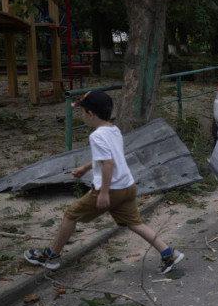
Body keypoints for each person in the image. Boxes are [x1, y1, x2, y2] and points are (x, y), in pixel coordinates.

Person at [23, 91, 184, 273]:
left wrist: (104, 192)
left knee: (71, 214)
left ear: (91, 114)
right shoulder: (113, 130)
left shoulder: (96, 136)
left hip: (111, 190)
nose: (82, 115)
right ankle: (169, 253)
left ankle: (50, 256)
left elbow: (107, 162)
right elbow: (108, 157)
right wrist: (85, 168)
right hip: (127, 186)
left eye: (82, 112)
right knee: (135, 223)